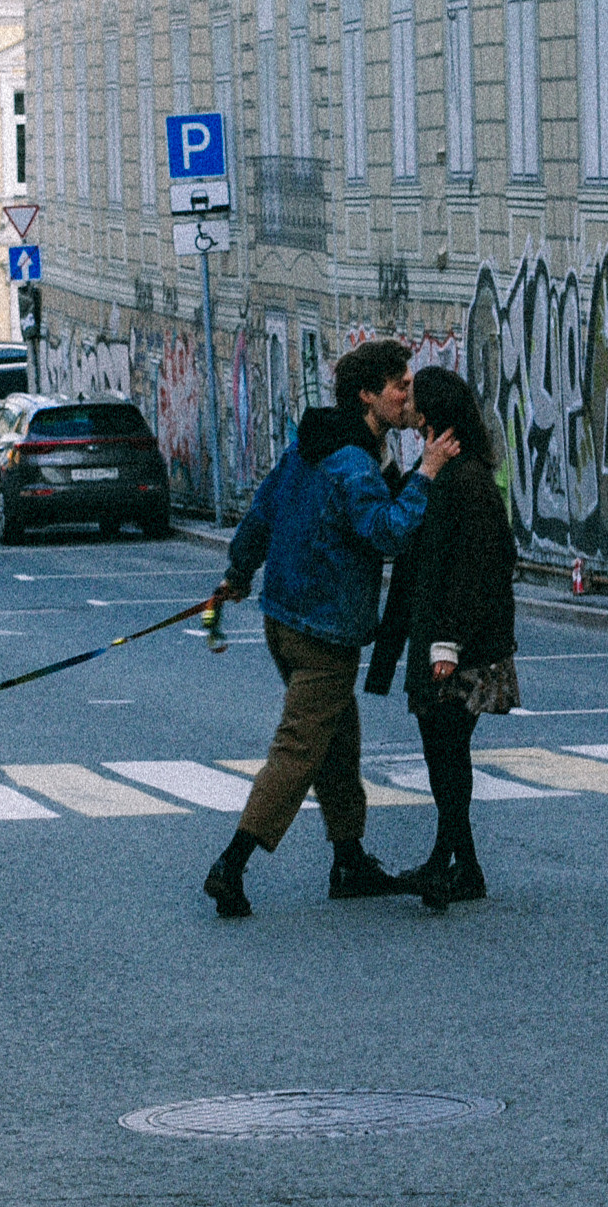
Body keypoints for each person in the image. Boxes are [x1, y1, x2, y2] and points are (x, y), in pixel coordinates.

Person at [201, 337, 457, 918]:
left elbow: (263, 512)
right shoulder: (352, 462)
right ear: (368, 395)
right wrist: (428, 474)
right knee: (298, 747)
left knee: (337, 741)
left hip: (284, 618)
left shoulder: (309, 447)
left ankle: (349, 859)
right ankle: (231, 864)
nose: (408, 396)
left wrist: (238, 574)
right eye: (400, 386)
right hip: (324, 630)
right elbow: (386, 532)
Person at [369, 364, 517, 909]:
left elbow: (475, 569)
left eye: (412, 396)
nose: (403, 400)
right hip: (440, 639)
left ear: (429, 412)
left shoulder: (466, 478)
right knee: (442, 751)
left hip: (460, 647)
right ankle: (456, 864)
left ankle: (455, 865)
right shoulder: (440, 471)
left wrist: (447, 644)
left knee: (448, 751)